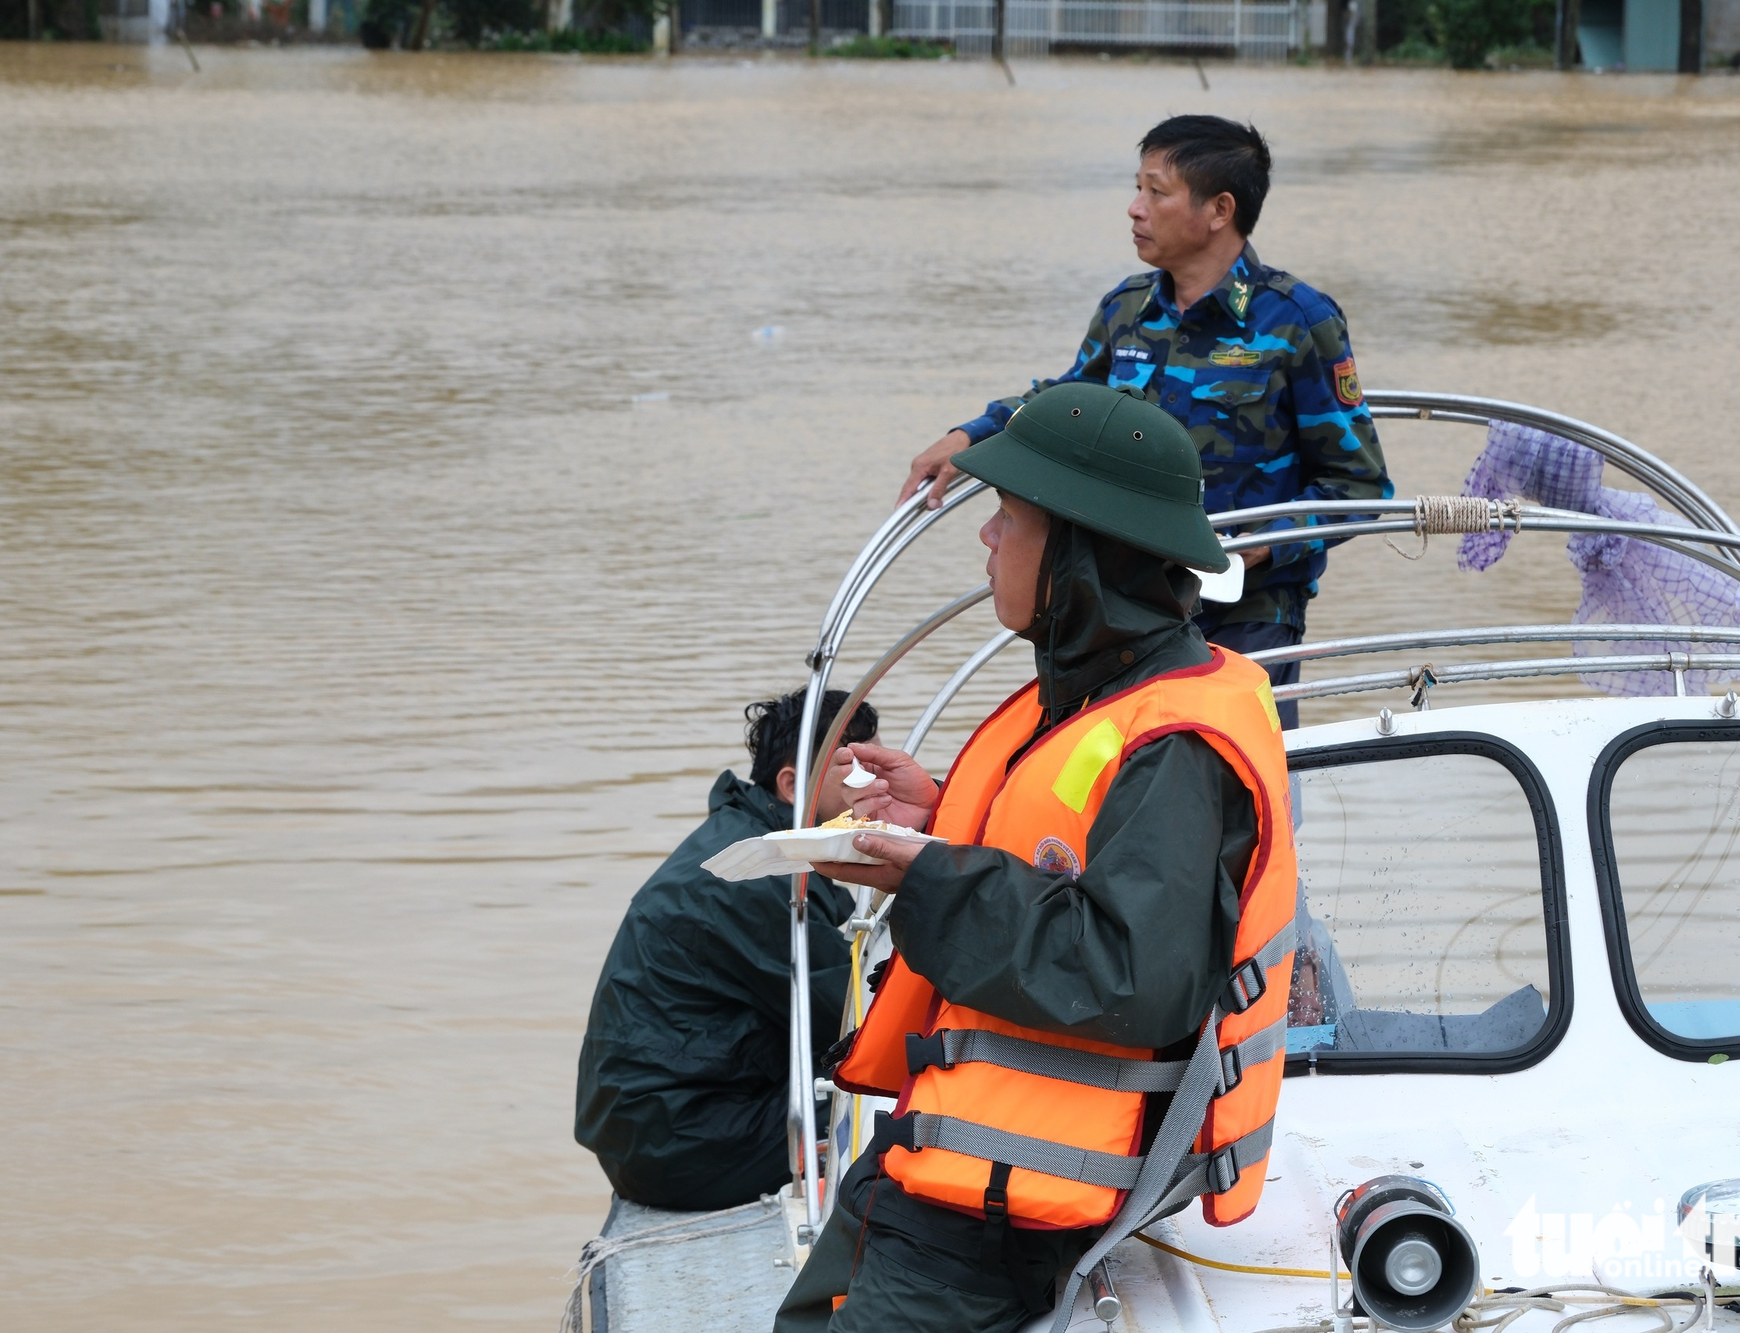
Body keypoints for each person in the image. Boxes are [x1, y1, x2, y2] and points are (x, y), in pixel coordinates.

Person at [777, 382, 1296, 1333]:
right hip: (949, 1170)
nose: (986, 538)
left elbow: (1128, 972)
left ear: (1080, 558)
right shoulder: (1108, 690)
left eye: (1009, 518)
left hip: (997, 1224)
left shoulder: (1175, 745)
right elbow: (1069, 852)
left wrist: (928, 875)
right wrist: (943, 821)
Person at [896, 114, 1392, 728]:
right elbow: (1064, 405)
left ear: (1220, 209)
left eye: (1157, 192)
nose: (1135, 208)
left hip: (1246, 618)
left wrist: (1246, 550)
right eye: (1138, 188)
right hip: (1119, 615)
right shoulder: (1126, 310)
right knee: (1096, 762)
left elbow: (1357, 487)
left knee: (1232, 768)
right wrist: (972, 434)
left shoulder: (1297, 320)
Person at [574, 688, 879, 1213]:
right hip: (678, 1143)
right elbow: (852, 1017)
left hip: (658, 1122)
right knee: (901, 1100)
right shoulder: (754, 876)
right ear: (791, 785)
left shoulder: (755, 840)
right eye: (856, 770)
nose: (875, 784)